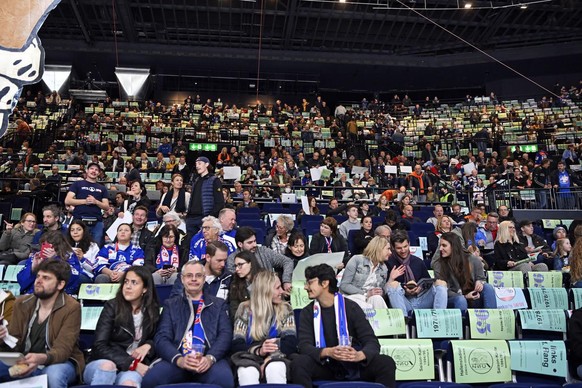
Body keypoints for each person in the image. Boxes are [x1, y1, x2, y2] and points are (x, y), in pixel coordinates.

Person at [291, 264, 396, 388]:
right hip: (325, 365)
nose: (305, 287)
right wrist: (328, 352)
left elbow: (371, 341)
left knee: (386, 362)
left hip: (353, 364)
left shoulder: (351, 307)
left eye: (309, 283)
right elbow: (304, 346)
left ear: (324, 283)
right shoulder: (307, 312)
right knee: (299, 363)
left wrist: (360, 355)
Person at [141, 261, 234, 388]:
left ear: (204, 278)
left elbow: (225, 335)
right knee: (150, 380)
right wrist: (179, 359)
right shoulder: (171, 305)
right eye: (189, 275)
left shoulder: (218, 304)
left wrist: (210, 358)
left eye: (198, 275)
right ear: (182, 279)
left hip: (209, 358)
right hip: (177, 359)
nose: (194, 279)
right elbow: (162, 338)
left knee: (225, 381)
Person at [0, 260, 84, 387]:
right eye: (38, 276)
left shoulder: (72, 307)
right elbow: (14, 342)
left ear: (60, 284)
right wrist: (3, 339)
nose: (38, 281)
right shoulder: (22, 303)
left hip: (59, 361)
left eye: (46, 278)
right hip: (25, 360)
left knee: (53, 375)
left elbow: (63, 350)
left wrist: (42, 358)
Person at [84, 266, 160, 386]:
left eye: (134, 283)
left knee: (130, 383)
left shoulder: (152, 310)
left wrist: (148, 345)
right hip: (103, 363)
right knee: (108, 367)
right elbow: (99, 346)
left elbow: (160, 338)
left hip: (131, 367)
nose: (128, 287)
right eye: (126, 282)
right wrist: (132, 363)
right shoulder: (112, 306)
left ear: (145, 289)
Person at [231, 270, 297, 385]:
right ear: (265, 291)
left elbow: (291, 342)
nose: (282, 291)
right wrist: (259, 351)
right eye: (277, 288)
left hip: (278, 356)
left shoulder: (286, 308)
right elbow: (237, 344)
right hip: (249, 356)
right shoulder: (244, 308)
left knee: (275, 367)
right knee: (247, 371)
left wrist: (271, 357)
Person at [384, 231, 448, 315]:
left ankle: (439, 320)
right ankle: (404, 321)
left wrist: (419, 288)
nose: (403, 250)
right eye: (399, 248)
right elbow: (386, 291)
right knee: (393, 285)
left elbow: (428, 282)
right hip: (403, 301)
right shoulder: (388, 262)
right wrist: (402, 287)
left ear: (409, 244)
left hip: (421, 299)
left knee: (441, 283)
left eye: (405, 246)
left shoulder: (418, 261)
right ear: (393, 247)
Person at [431, 232, 496, 311]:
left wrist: (479, 282)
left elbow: (481, 278)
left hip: (473, 296)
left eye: (444, 245)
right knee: (461, 300)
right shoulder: (438, 265)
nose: (440, 249)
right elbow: (443, 291)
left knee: (488, 287)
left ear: (454, 246)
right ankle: (461, 322)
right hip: (454, 299)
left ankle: (491, 318)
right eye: (440, 245)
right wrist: (465, 296)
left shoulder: (473, 259)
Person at [227, 227, 294, 293]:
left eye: (255, 241)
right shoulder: (232, 259)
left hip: (273, 292)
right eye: (250, 242)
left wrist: (286, 281)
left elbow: (287, 261)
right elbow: (237, 282)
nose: (254, 245)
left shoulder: (263, 251)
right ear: (240, 244)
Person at [17, 231, 82, 295]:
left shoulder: (70, 256)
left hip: (59, 295)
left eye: (49, 245)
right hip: (33, 294)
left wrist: (55, 260)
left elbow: (72, 280)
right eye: (43, 244)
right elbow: (21, 281)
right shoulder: (37, 256)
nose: (46, 248)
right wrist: (33, 268)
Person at [65, 162, 109, 244]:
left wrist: (95, 202)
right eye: (92, 169)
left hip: (97, 222)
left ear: (99, 173)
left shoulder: (102, 188)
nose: (94, 171)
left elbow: (106, 206)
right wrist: (85, 201)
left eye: (96, 170)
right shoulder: (77, 184)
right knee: (78, 246)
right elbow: (67, 200)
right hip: (79, 220)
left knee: (96, 247)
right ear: (87, 170)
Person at [339, 236, 390, 310]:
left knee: (378, 299)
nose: (390, 252)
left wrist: (380, 292)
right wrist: (365, 293)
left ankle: (386, 320)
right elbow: (344, 285)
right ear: (379, 249)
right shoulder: (357, 260)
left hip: (369, 298)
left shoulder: (384, 268)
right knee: (365, 305)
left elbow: (381, 293)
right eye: (388, 249)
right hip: (352, 296)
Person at [186, 156, 225, 234]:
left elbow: (220, 202)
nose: (197, 166)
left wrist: (210, 217)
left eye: (199, 163)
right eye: (196, 164)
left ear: (207, 164)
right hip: (191, 218)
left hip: (205, 218)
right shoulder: (196, 180)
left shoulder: (214, 180)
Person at [229, 251, 262, 319]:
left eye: (240, 265)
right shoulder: (235, 283)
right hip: (246, 323)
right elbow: (234, 310)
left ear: (251, 264)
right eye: (236, 266)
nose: (237, 269)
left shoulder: (265, 279)